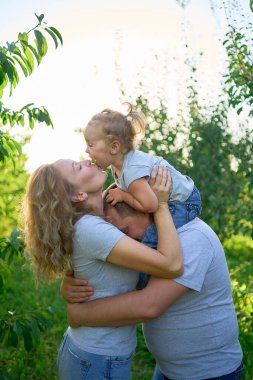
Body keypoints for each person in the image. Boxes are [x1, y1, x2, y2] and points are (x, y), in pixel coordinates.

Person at [23, 159, 183, 380]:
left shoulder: (99, 217)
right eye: (78, 168)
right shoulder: (91, 229)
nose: (86, 160)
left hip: (95, 354)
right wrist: (162, 205)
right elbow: (172, 265)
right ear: (78, 196)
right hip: (96, 357)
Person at [62, 200, 244, 380]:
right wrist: (70, 286)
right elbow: (117, 279)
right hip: (167, 370)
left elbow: (149, 305)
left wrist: (78, 314)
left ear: (144, 209)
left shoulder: (192, 237)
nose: (124, 241)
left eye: (125, 231)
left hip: (210, 373)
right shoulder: (151, 241)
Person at [84, 104, 201, 240]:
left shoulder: (132, 171)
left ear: (114, 147)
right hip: (180, 197)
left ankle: (159, 260)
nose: (86, 151)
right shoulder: (119, 165)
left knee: (151, 238)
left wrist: (123, 196)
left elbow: (150, 205)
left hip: (184, 202)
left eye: (91, 145)